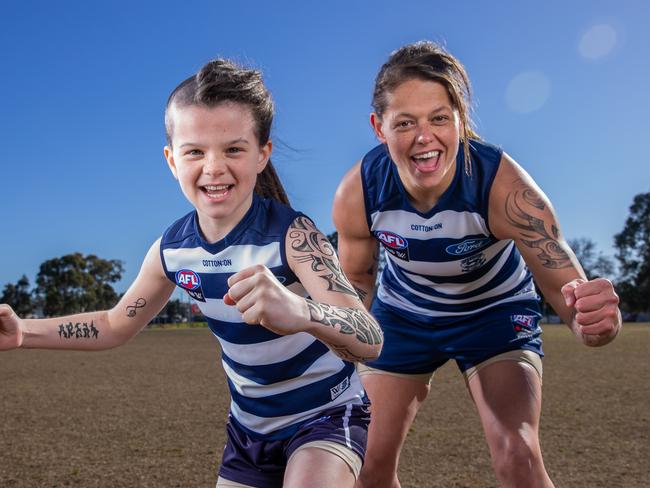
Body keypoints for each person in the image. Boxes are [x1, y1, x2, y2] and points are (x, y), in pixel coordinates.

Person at [0, 58, 383, 488]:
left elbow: (369, 337)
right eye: (195, 151)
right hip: (249, 432)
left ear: (262, 154)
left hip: (326, 415)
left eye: (233, 149)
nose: (214, 167)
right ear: (171, 160)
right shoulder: (172, 250)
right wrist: (23, 333)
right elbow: (113, 324)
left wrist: (300, 312)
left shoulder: (294, 236)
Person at [332, 41, 621, 488]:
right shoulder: (360, 191)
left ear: (460, 121)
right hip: (404, 316)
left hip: (493, 315)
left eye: (439, 119)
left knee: (516, 454)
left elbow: (565, 289)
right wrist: (344, 331)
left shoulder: (503, 188)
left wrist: (593, 321)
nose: (424, 137)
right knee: (365, 463)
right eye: (405, 122)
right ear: (379, 127)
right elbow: (356, 278)